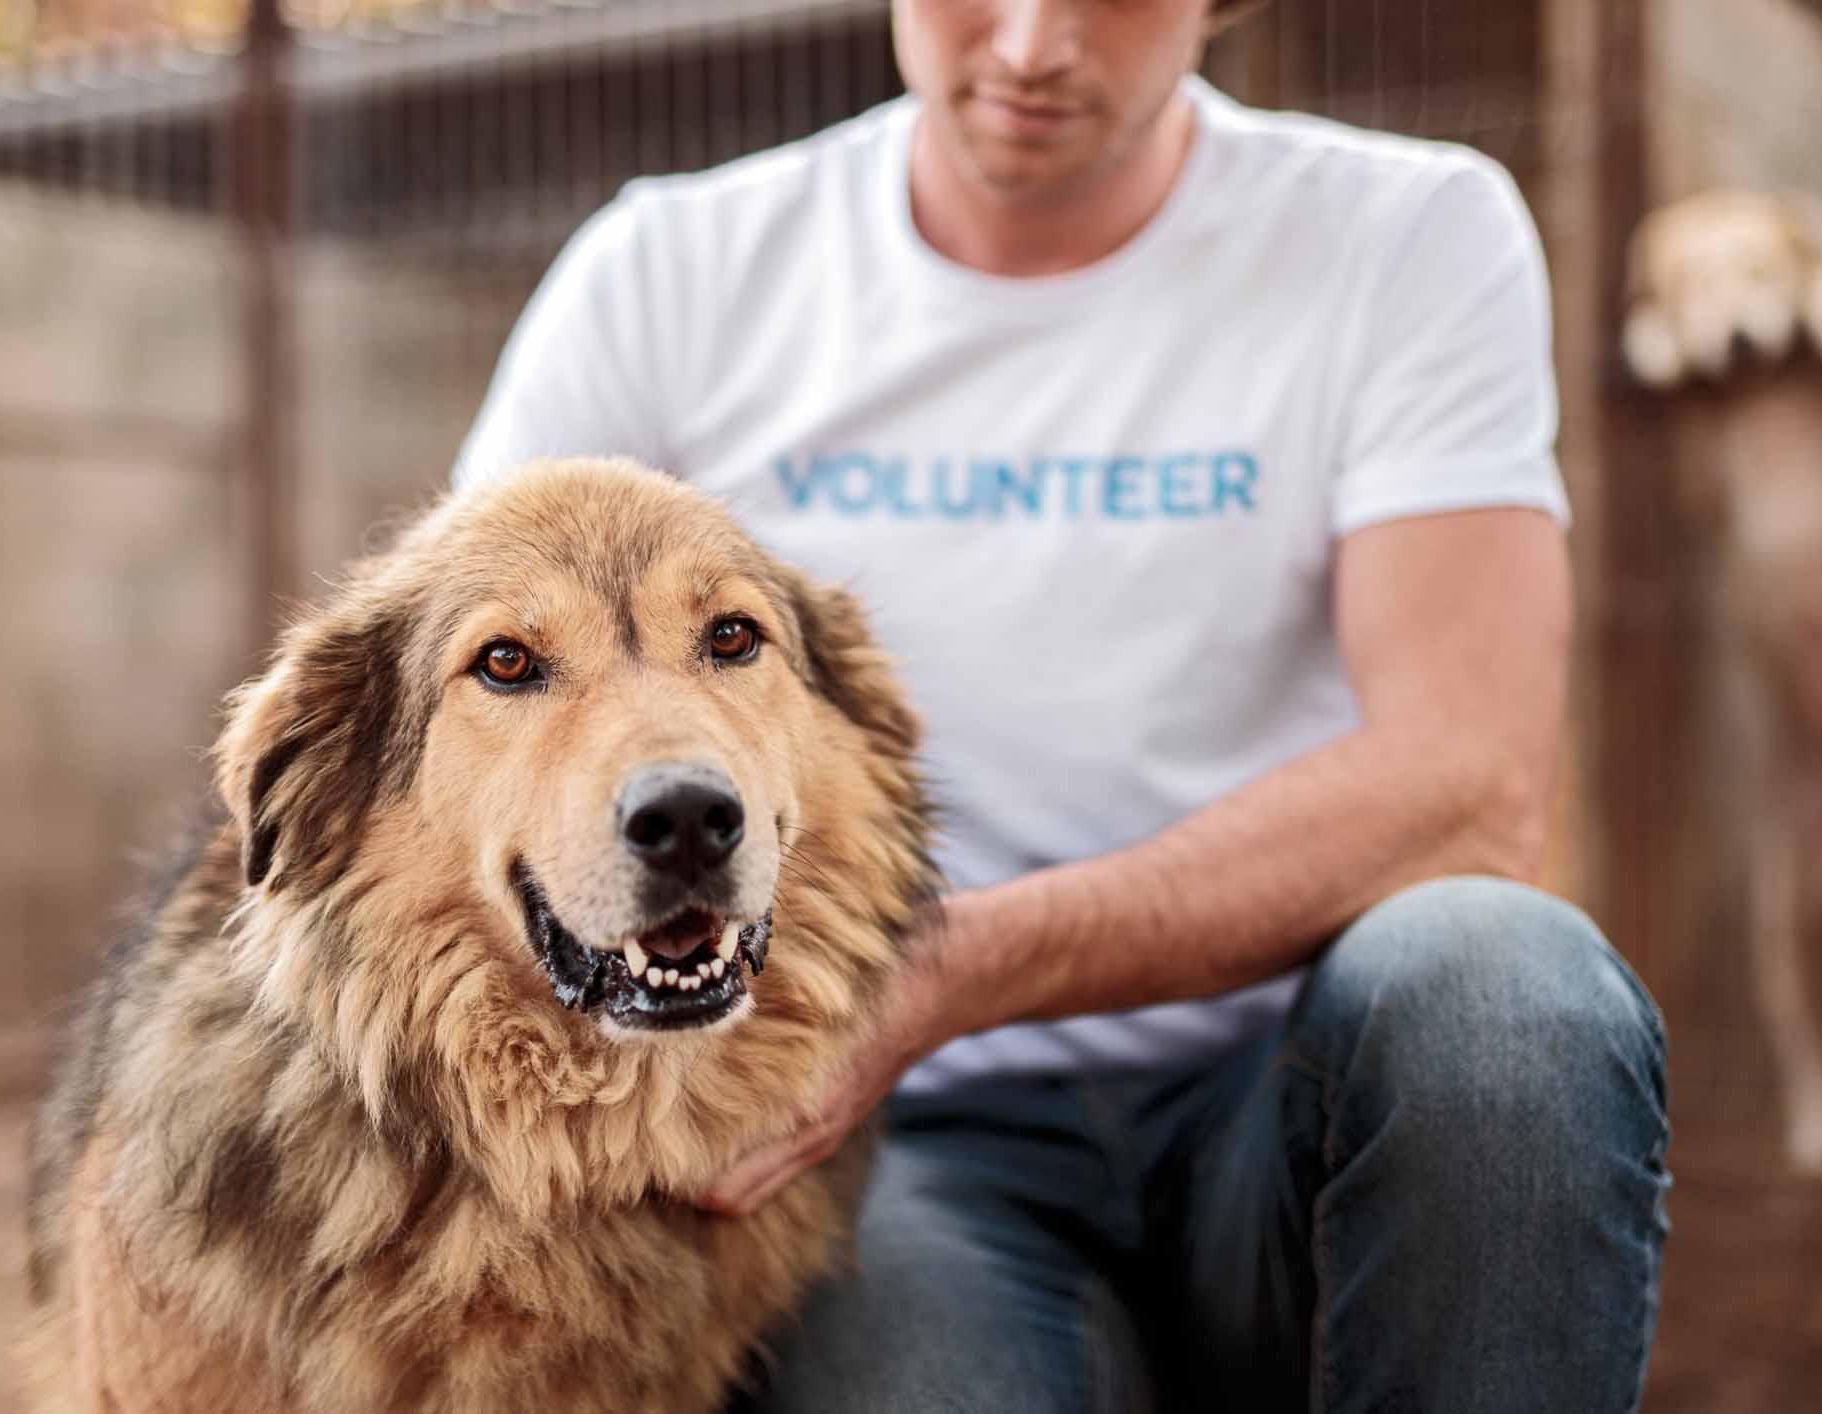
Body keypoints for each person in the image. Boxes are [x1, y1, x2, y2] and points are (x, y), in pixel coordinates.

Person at [452, 0, 1671, 1408]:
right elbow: (476, 678)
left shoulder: (1409, 236)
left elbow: (1471, 785)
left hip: (1286, 1081)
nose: (1030, 44)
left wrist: (944, 973)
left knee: (1504, 986)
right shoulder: (669, 272)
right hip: (887, 1140)